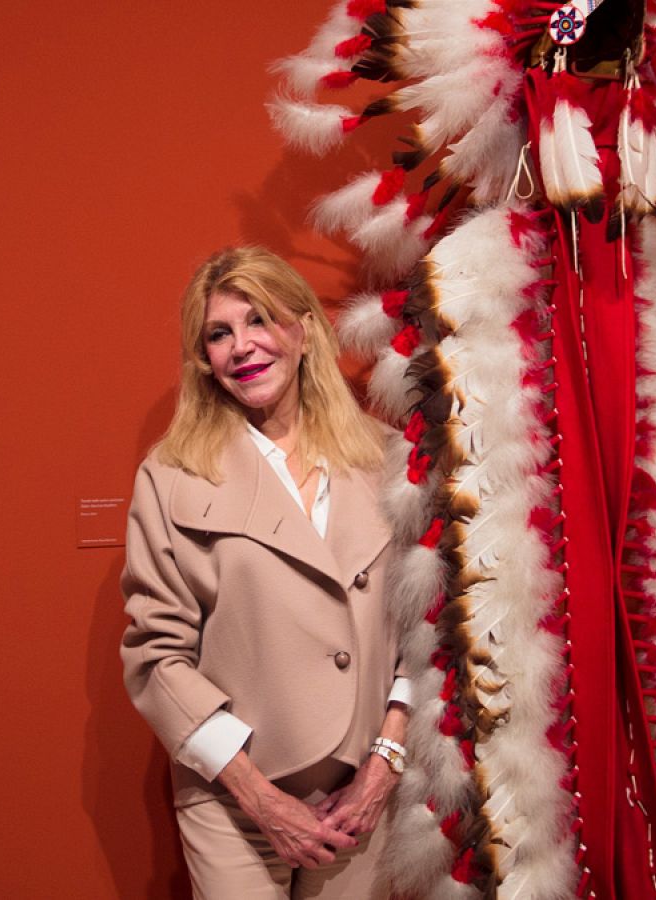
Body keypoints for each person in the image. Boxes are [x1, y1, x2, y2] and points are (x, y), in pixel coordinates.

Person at [121, 247, 410, 898]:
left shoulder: (387, 459)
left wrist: (385, 765)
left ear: (304, 330)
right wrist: (258, 797)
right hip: (234, 797)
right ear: (205, 360)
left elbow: (425, 631)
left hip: (360, 788)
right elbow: (155, 656)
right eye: (219, 334)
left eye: (259, 321)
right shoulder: (170, 477)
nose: (241, 346)